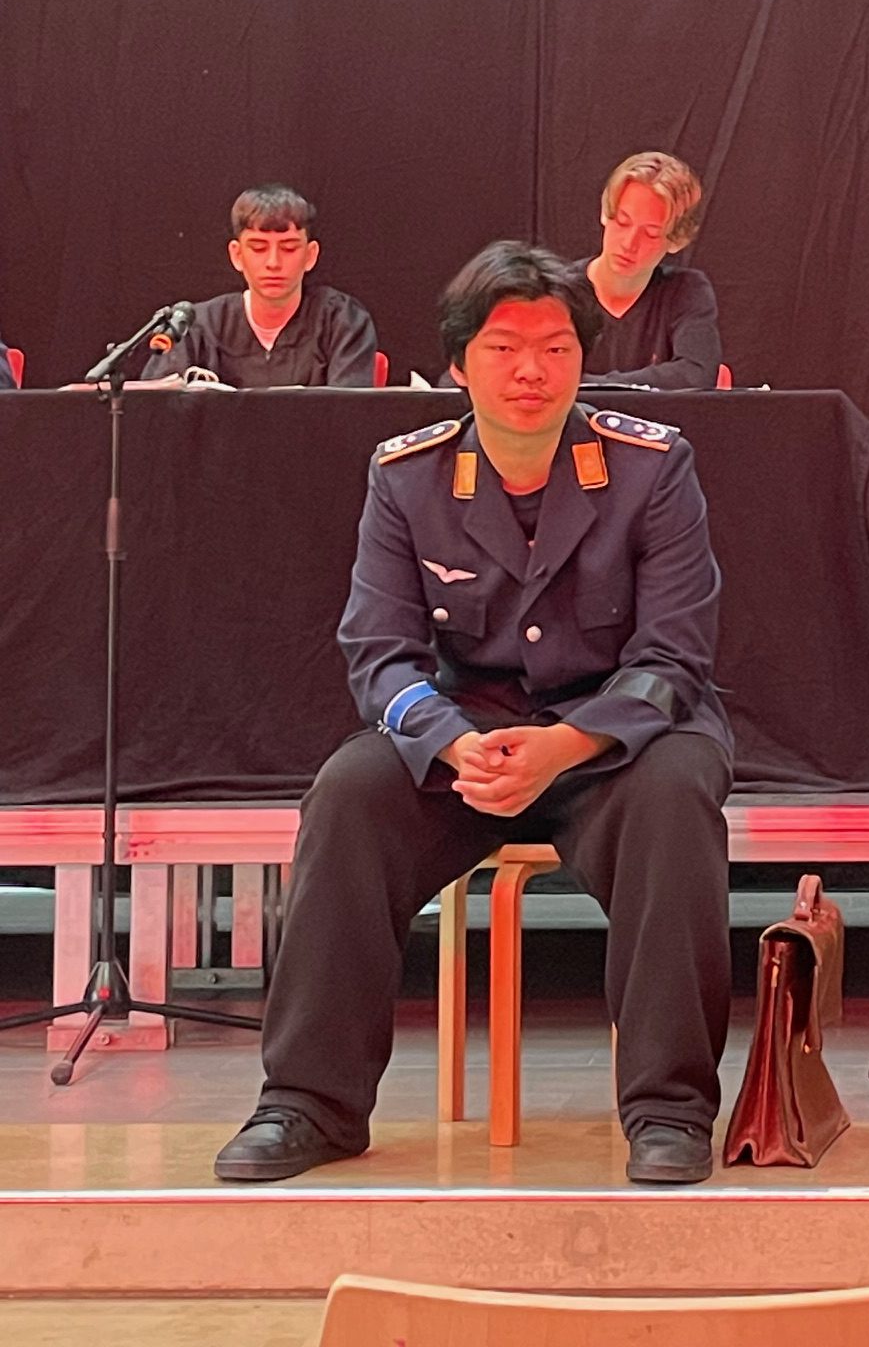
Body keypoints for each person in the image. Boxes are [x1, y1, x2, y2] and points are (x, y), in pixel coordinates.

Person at [213, 241, 732, 1187]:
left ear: (583, 359)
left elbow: (676, 656)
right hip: (470, 736)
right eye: (503, 348)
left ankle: (669, 1110)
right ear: (459, 363)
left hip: (615, 737)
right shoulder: (406, 475)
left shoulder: (653, 468)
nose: (532, 370)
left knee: (676, 795)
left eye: (556, 348)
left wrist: (564, 745)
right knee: (349, 794)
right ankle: (308, 1103)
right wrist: (453, 744)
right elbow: (380, 653)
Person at [141, 184, 377, 387]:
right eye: (258, 248)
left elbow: (348, 416)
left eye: (289, 248)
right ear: (237, 255)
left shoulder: (341, 321)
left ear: (310, 255)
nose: (273, 263)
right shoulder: (196, 327)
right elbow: (155, 411)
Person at [575, 151, 722, 389]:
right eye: (622, 222)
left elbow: (697, 373)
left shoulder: (685, 291)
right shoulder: (559, 292)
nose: (629, 243)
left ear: (677, 240)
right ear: (605, 213)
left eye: (651, 234)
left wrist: (588, 385)